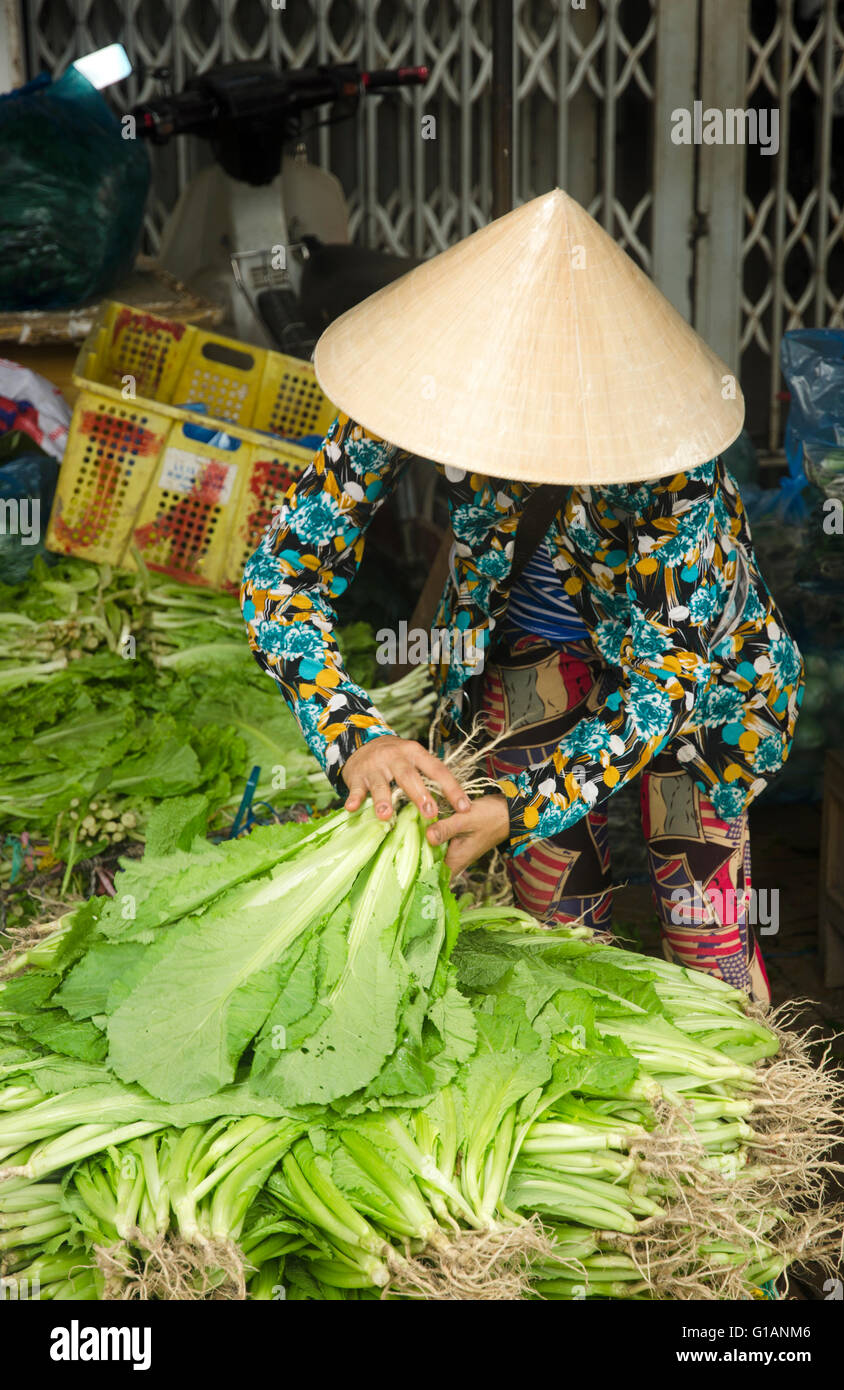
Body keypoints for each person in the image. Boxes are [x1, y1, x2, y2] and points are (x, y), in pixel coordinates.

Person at [241, 190, 803, 1004]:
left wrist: (520, 804)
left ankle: (752, 1105)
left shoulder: (671, 467)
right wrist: (351, 734)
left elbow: (664, 682)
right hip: (536, 650)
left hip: (699, 682)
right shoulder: (418, 382)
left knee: (698, 915)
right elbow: (281, 573)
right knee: (555, 923)